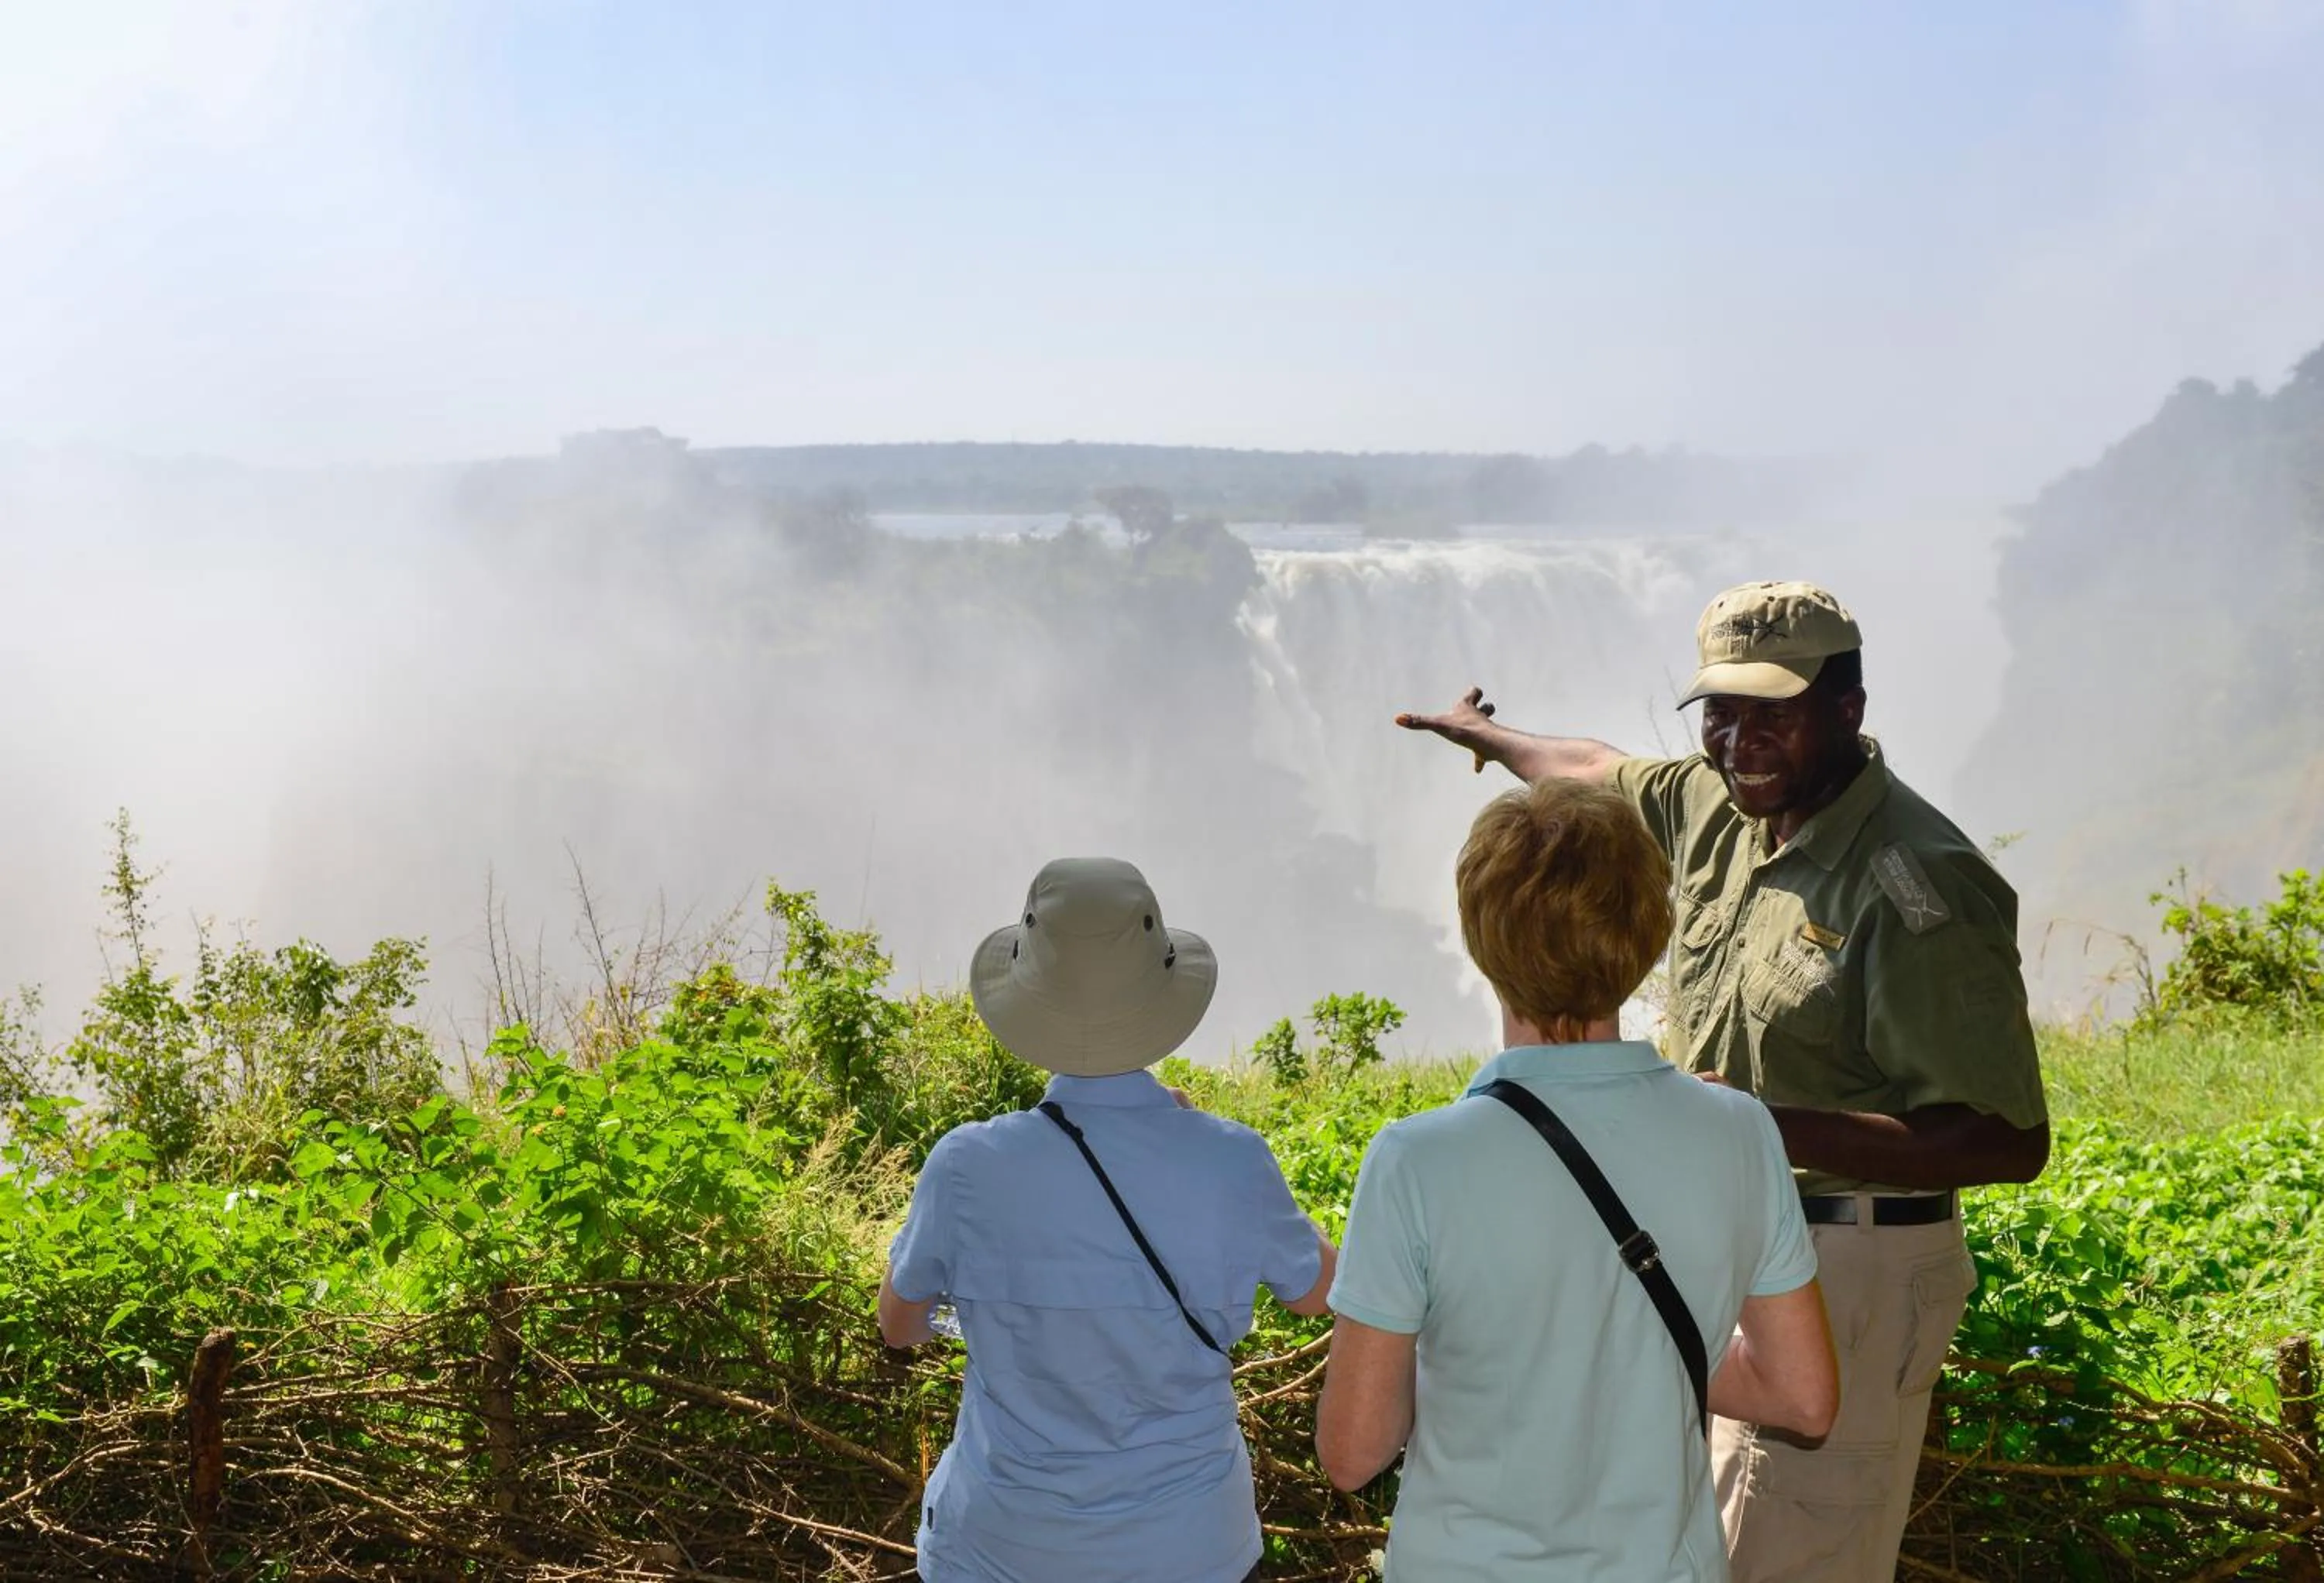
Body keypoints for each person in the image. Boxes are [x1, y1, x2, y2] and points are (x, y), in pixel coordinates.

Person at [1397, 579, 2051, 1582]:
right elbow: (1595, 769)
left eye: (1772, 715)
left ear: (1848, 709)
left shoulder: (1916, 886)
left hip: (1852, 1267)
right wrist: (1493, 740)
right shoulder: (1722, 808)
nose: (1739, 741)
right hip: (1736, 1244)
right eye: (1722, 712)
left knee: (1793, 1549)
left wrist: (1755, 1125)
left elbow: (2005, 1141)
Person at [1315, 777, 1839, 1581]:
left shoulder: (1416, 1161)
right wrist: (1644, 1360)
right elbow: (1804, 1397)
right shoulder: (1739, 1131)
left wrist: (1483, 1361)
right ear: (1647, 935)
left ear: (1484, 940)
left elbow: (1353, 1452)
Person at [878, 856, 1339, 1583]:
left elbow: (900, 1328)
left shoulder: (966, 1166)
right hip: (1192, 1552)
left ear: (1029, 995)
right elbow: (1321, 1292)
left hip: (1003, 1551)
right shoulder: (1231, 1160)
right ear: (1160, 996)